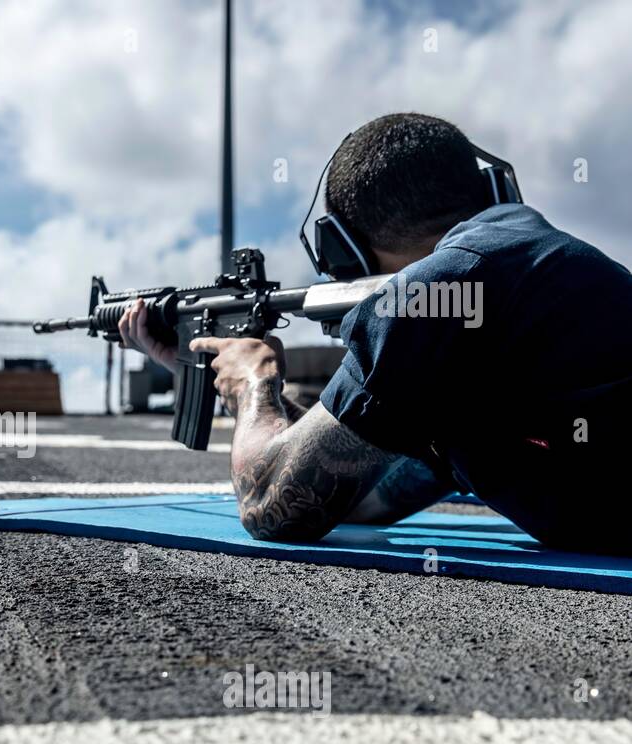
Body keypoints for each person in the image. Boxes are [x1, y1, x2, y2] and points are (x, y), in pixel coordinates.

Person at [118, 112, 632, 552]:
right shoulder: (528, 275)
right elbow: (352, 490)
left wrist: (255, 384)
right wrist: (227, 382)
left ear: (349, 248)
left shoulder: (429, 292)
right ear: (494, 188)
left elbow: (274, 508)